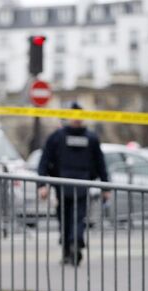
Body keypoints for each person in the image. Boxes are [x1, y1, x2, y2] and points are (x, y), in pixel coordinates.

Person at [37, 102, 110, 266]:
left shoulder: (72, 137)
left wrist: (106, 187)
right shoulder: (62, 137)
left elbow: (100, 163)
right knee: (69, 218)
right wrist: (42, 184)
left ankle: (73, 246)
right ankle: (71, 246)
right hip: (65, 186)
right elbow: (44, 162)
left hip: (76, 185)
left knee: (75, 218)